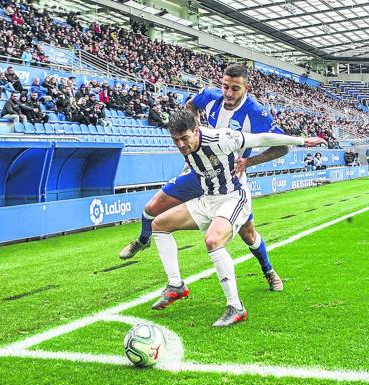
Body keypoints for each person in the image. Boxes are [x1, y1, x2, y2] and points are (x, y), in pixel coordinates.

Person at [120, 64, 292, 291]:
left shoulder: (256, 113)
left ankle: (268, 270)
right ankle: (143, 240)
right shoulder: (210, 97)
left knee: (248, 234)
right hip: (198, 172)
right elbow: (190, 106)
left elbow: (283, 148)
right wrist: (194, 131)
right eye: (225, 86)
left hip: (230, 181)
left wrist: (249, 161)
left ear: (246, 88)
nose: (228, 93)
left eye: (235, 88)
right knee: (152, 208)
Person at [150, 110, 326, 326]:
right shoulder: (185, 143)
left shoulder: (221, 138)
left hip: (234, 196)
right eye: (175, 140)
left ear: (196, 130)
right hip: (208, 199)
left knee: (215, 240)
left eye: (184, 138)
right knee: (158, 224)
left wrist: (301, 140)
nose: (180, 144)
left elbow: (262, 138)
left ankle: (236, 306)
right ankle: (176, 284)